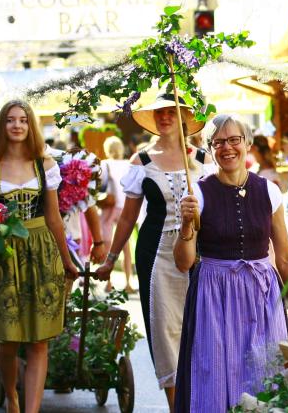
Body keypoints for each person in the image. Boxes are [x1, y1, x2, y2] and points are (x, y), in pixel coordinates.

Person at [172, 115, 288, 412]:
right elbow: (183, 263)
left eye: (234, 139)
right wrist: (185, 226)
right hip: (214, 294)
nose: (227, 148)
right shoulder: (197, 193)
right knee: (214, 373)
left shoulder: (269, 191)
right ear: (210, 149)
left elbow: (285, 256)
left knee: (266, 373)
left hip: (262, 294)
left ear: (247, 143)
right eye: (218, 142)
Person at [95, 94, 211, 410]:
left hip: (200, 254)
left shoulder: (202, 160)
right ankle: (176, 407)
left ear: (184, 117)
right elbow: (128, 216)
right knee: (164, 330)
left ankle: (201, 399)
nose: (163, 117)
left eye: (170, 111)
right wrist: (111, 258)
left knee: (202, 327)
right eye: (158, 112)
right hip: (156, 254)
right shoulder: (141, 161)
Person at [0, 101, 77, 413]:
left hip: (42, 250)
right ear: (1, 126)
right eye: (10, 120)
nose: (17, 126)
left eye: (23, 120)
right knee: (7, 340)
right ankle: (12, 397)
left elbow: (55, 218)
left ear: (31, 126)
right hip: (5, 254)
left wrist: (67, 261)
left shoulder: (45, 165)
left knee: (39, 341)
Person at [98, 136, 135, 294]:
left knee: (107, 245)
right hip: (124, 207)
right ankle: (128, 283)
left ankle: (108, 282)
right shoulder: (129, 164)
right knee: (125, 246)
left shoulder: (104, 164)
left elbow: (99, 186)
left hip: (109, 207)